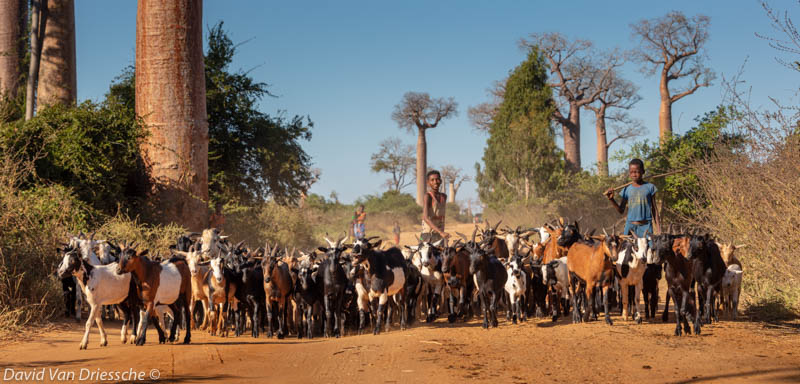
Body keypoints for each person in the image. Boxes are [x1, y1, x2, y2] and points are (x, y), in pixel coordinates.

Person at [605, 158, 661, 237]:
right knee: (624, 247)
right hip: (630, 228)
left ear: (643, 172)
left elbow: (654, 210)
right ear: (629, 173)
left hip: (646, 227)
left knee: (651, 248)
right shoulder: (627, 189)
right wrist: (611, 199)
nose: (634, 175)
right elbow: (621, 210)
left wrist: (659, 230)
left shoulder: (650, 187)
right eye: (631, 172)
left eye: (637, 172)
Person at [421, 170, 449, 242]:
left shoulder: (444, 196)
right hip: (427, 235)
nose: (435, 182)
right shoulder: (428, 196)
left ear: (441, 181)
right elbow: (425, 218)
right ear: (428, 183)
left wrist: (442, 232)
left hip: (440, 235)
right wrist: (440, 232)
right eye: (432, 180)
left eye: (437, 179)